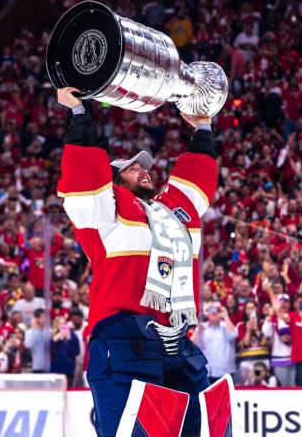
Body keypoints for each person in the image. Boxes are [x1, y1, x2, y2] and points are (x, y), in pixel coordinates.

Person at [56, 87, 218, 436]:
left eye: (142, 167)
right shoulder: (106, 210)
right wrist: (80, 113)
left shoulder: (173, 211)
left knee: (199, 427)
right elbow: (85, 178)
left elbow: (196, 181)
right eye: (130, 169)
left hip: (176, 338)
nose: (142, 170)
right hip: (122, 333)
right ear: (112, 181)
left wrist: (203, 127)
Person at [193, 302, 237, 384]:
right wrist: (198, 332)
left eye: (217, 309)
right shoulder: (202, 327)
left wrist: (226, 316)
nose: (214, 312)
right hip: (206, 372)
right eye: (211, 309)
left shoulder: (226, 326)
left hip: (224, 372)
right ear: (208, 313)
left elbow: (233, 335)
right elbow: (192, 347)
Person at [50, 316, 80, 384]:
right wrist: (57, 337)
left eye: (64, 323)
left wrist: (69, 339)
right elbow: (50, 350)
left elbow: (76, 352)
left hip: (68, 371)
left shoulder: (73, 336)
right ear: (56, 325)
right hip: (55, 371)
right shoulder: (53, 336)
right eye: (60, 324)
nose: (63, 326)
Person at [24, 308, 49, 373]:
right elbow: (28, 344)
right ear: (37, 319)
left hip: (50, 367)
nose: (45, 319)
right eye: (42, 317)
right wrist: (34, 328)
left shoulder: (49, 331)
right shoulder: (30, 332)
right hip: (37, 367)